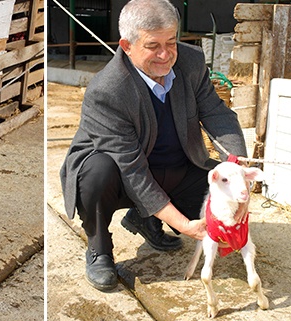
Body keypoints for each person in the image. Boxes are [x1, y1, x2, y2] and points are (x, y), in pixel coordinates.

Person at [59, 0, 248, 291]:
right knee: (96, 173)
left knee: (222, 197)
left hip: (177, 166)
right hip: (120, 176)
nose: (165, 55)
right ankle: (99, 249)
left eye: (171, 42)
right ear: (127, 45)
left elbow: (217, 114)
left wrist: (237, 169)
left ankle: (145, 218)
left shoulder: (192, 63)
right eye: (152, 46)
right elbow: (131, 169)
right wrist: (184, 226)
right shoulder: (107, 90)